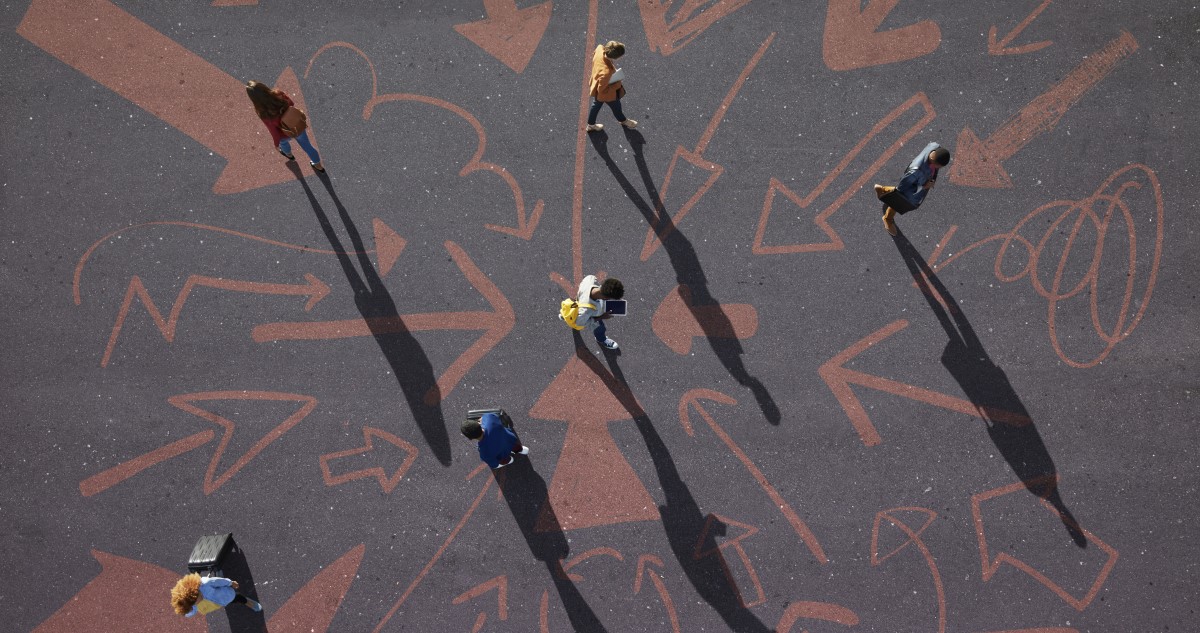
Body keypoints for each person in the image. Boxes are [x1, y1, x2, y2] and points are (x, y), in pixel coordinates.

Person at [245, 80, 325, 173]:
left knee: (283, 143)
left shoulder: (263, 113)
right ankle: (318, 165)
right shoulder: (278, 94)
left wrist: (276, 144)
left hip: (284, 134)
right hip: (296, 125)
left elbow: (273, 131)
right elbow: (291, 103)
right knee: (308, 146)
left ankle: (289, 155)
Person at [874, 142, 950, 235]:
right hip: (911, 192)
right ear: (935, 162)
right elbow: (902, 189)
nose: (940, 168)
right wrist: (924, 186)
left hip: (918, 181)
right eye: (940, 166)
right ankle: (887, 218)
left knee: (898, 194)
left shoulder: (935, 147)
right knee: (898, 201)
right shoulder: (916, 171)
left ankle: (882, 189)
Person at [585, 41, 638, 132]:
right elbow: (602, 90)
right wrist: (616, 84)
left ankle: (591, 125)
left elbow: (595, 55)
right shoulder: (606, 73)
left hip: (596, 82)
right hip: (606, 94)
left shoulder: (599, 48)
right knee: (616, 105)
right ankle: (623, 120)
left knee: (596, 106)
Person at [171, 573, 262, 618]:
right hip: (217, 602)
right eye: (193, 605)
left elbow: (220, 581)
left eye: (195, 602)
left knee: (236, 598)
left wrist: (231, 583)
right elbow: (192, 611)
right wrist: (186, 612)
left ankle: (248, 602)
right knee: (228, 602)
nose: (196, 604)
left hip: (226, 595)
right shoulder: (192, 602)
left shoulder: (206, 583)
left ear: (195, 594)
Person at [461, 412, 528, 469]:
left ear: (470, 438)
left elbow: (493, 463)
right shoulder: (489, 419)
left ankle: (510, 460)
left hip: (503, 455)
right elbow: (490, 416)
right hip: (509, 440)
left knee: (502, 461)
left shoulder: (484, 451)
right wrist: (482, 421)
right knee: (515, 446)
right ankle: (522, 450)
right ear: (478, 424)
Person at [575, 275, 623, 350]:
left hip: (580, 302)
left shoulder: (591, 279)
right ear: (605, 298)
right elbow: (579, 323)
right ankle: (601, 339)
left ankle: (564, 316)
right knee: (600, 329)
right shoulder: (586, 310)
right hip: (594, 318)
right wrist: (601, 317)